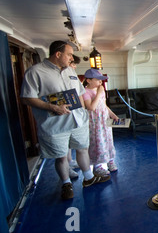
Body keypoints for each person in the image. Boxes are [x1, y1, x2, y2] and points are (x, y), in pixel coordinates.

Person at [21, 41, 110, 200]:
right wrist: (52, 107)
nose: (71, 58)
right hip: (55, 124)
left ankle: (88, 178)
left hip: (77, 121)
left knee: (82, 149)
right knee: (61, 156)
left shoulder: (70, 70)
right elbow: (27, 98)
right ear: (58, 54)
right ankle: (66, 183)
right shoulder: (35, 72)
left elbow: (80, 93)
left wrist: (83, 114)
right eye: (69, 54)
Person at [83, 69, 119, 176]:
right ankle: (97, 165)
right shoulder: (85, 92)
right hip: (95, 122)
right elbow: (91, 107)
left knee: (108, 139)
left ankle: (110, 160)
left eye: (101, 80)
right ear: (88, 80)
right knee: (97, 141)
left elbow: (104, 105)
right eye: (97, 79)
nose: (100, 82)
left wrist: (112, 114)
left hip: (105, 120)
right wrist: (98, 94)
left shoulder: (101, 91)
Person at [67, 54, 81, 178]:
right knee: (64, 144)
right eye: (73, 64)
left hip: (75, 113)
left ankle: (70, 161)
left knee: (71, 142)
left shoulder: (74, 76)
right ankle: (66, 168)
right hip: (62, 114)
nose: (74, 67)